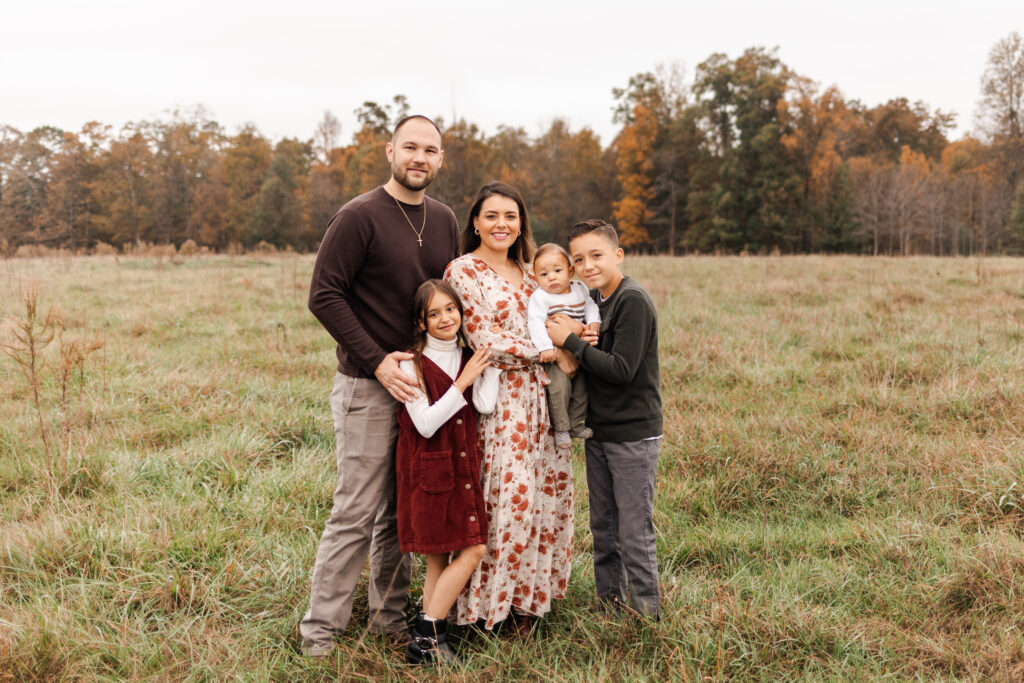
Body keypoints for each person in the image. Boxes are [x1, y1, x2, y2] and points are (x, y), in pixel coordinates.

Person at [301, 115, 459, 657]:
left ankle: (389, 619)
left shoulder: (443, 220)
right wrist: (377, 363)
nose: (419, 157)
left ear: (441, 160)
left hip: (422, 390)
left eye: (430, 150)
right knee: (356, 510)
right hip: (368, 388)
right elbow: (324, 295)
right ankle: (320, 632)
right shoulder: (358, 216)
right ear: (390, 151)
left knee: (404, 510)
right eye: (410, 147)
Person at [443, 182, 575, 635]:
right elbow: (484, 337)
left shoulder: (534, 270)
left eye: (511, 216)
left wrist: (575, 341)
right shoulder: (464, 271)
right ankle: (484, 611)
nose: (502, 224)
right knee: (508, 502)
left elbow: (564, 319)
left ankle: (527, 606)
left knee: (546, 500)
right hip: (506, 401)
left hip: (548, 398)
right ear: (476, 222)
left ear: (522, 224)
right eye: (492, 216)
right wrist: (549, 351)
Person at [545, 219, 663, 619]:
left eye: (596, 255)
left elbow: (621, 370)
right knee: (604, 527)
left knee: (633, 530)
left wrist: (570, 342)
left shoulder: (632, 300)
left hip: (632, 434)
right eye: (579, 259)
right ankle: (609, 606)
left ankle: (648, 614)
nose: (587, 265)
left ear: (618, 255)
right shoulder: (595, 301)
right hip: (599, 432)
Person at [395, 279, 500, 665]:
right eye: (434, 313)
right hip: (430, 474)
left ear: (460, 312)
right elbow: (424, 423)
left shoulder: (467, 355)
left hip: (463, 470)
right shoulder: (411, 363)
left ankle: (429, 642)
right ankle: (427, 635)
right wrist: (464, 380)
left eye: (450, 310)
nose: (445, 318)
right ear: (421, 321)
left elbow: (485, 406)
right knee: (472, 549)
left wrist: (491, 367)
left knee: (444, 557)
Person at [527, 243, 601, 449]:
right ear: (535, 276)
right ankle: (561, 428)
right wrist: (545, 348)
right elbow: (535, 321)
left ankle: (575, 424)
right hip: (555, 353)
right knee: (559, 388)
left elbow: (590, 305)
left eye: (557, 271)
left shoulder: (579, 289)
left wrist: (594, 321)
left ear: (570, 271)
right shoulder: (540, 297)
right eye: (544, 274)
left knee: (582, 388)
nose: (551, 277)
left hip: (578, 350)